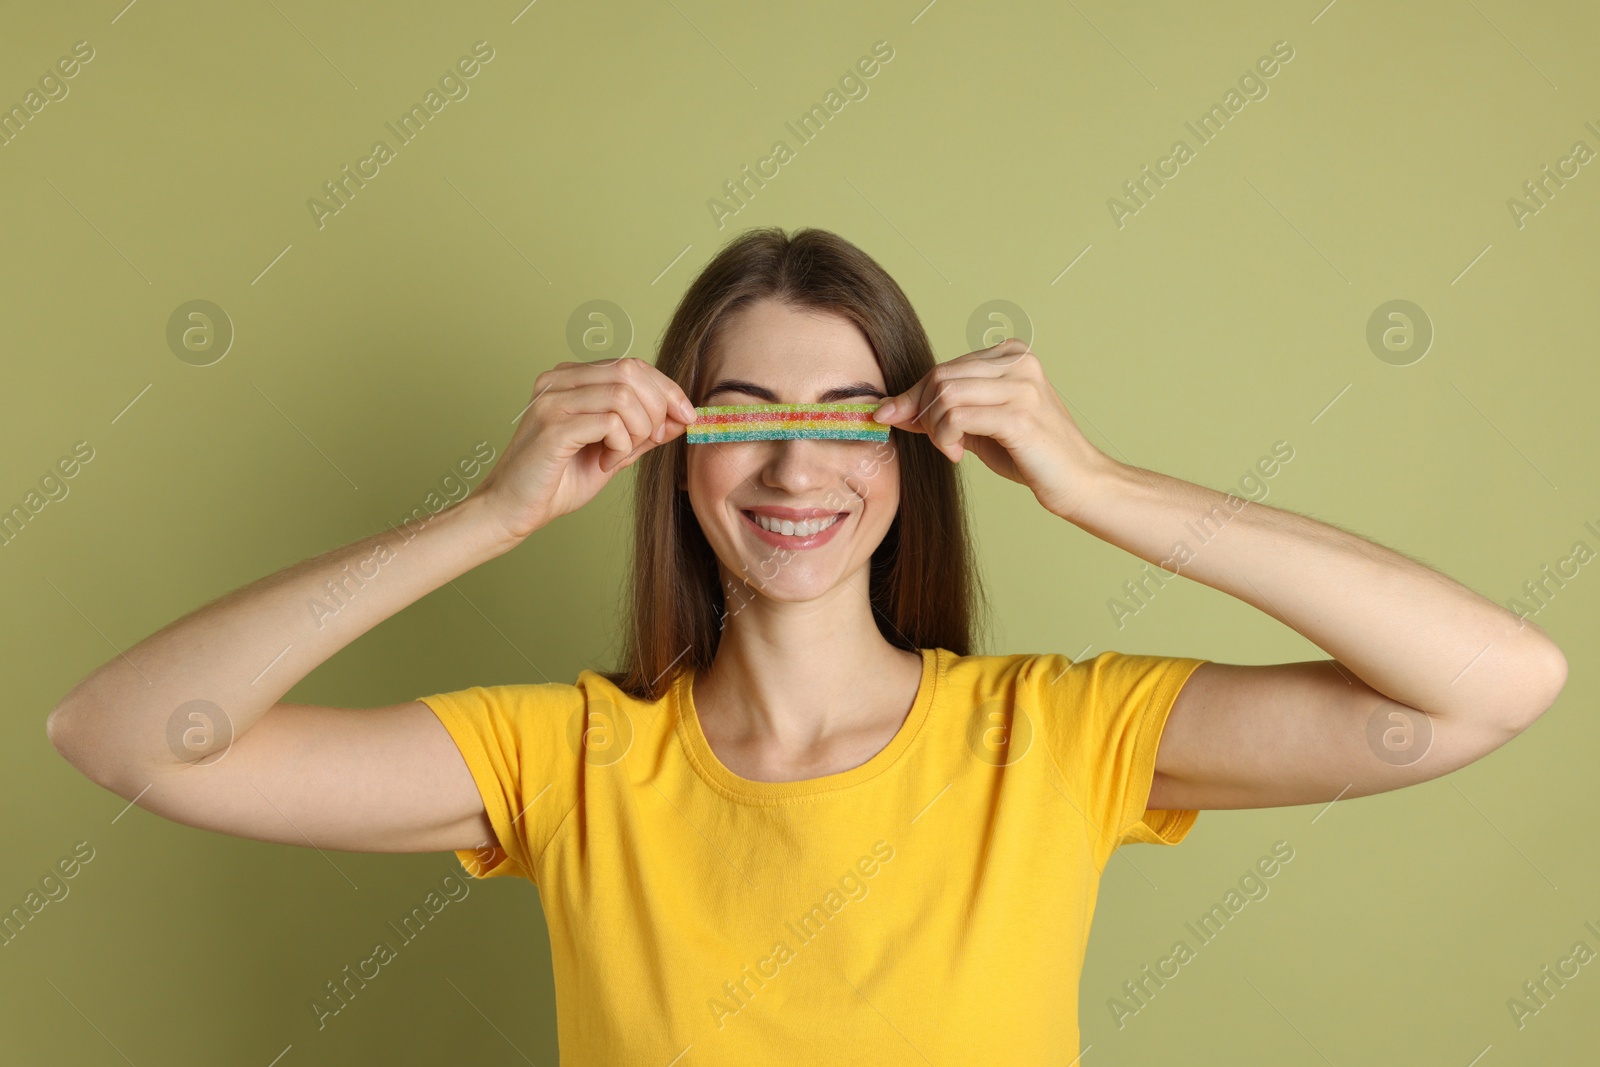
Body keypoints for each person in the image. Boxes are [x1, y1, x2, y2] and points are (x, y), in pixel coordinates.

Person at [47, 227, 1567, 1063]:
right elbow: (122, 734)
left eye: (846, 420)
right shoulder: (563, 763)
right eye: (743, 420)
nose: (794, 473)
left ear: (910, 457)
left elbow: (1499, 683)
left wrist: (1102, 491)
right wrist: (487, 523)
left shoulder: (1056, 740)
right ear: (673, 458)